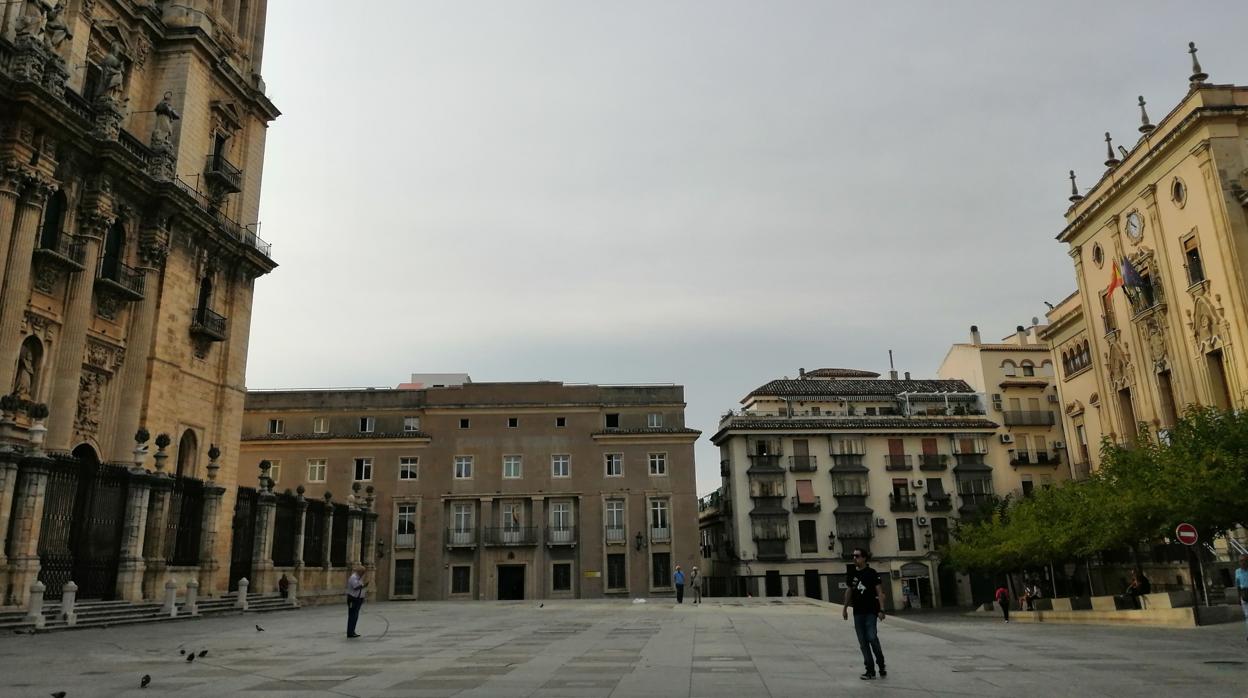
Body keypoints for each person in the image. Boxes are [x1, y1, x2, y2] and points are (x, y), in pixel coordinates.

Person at [842, 548, 887, 680]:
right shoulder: (852, 574)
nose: (854, 558)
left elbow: (880, 592)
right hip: (858, 613)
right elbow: (849, 591)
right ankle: (870, 670)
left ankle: (881, 663)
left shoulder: (872, 573)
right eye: (853, 556)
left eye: (857, 556)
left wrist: (882, 609)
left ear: (864, 558)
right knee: (863, 642)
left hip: (871, 612)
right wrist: (844, 608)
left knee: (872, 637)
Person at [346, 565, 367, 638]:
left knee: (355, 616)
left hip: (358, 599)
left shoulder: (359, 577)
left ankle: (352, 631)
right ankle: (350, 632)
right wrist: (363, 585)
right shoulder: (353, 577)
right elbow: (355, 587)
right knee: (352, 615)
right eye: (363, 572)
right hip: (353, 599)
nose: (364, 574)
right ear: (359, 571)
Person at [1235, 555, 1248, 642]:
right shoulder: (1237, 571)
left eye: (1244, 561)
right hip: (1244, 594)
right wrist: (1239, 597)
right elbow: (1238, 585)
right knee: (1247, 615)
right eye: (1240, 561)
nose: (1242, 563)